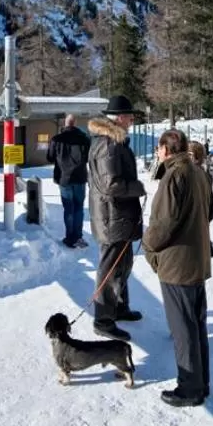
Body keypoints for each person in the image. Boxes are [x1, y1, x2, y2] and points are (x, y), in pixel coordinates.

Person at [144, 131, 213, 408]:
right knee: (196, 325)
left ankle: (189, 388)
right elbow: (210, 211)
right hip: (197, 259)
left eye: (158, 148)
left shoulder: (174, 175)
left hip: (178, 264)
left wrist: (147, 242)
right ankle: (201, 382)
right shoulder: (199, 172)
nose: (157, 153)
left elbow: (164, 224)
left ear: (165, 149)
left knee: (183, 328)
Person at [87, 95, 147, 342]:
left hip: (119, 217)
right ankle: (103, 319)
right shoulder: (109, 145)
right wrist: (138, 187)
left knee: (123, 265)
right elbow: (111, 185)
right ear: (119, 118)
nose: (132, 120)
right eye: (130, 116)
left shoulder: (114, 142)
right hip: (112, 218)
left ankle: (119, 307)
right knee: (110, 269)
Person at [48, 114, 91, 249]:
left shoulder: (56, 139)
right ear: (75, 123)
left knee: (68, 208)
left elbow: (49, 157)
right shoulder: (84, 139)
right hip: (79, 178)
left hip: (64, 179)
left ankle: (69, 237)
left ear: (65, 124)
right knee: (79, 208)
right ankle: (78, 236)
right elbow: (89, 157)